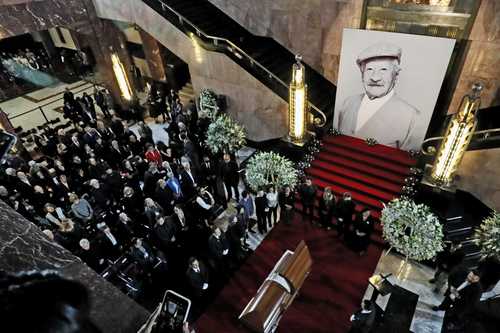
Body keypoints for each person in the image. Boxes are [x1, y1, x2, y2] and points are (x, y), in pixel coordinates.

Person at [336, 42, 420, 150]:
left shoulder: (412, 117)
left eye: (383, 70)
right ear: (362, 74)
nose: (375, 78)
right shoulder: (348, 103)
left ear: (396, 75)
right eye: (369, 69)